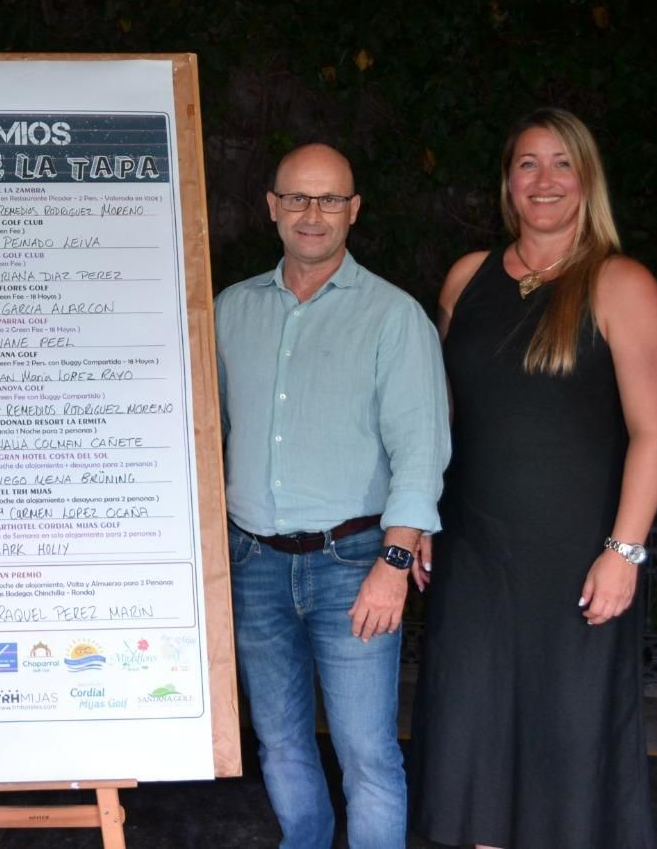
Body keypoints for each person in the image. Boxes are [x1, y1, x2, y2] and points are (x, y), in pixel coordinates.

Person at [409, 109, 657, 848]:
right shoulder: (468, 278)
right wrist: (419, 517)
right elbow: (435, 420)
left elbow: (653, 435)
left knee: (564, 743)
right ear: (508, 182)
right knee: (474, 738)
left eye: (562, 163)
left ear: (586, 179)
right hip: (474, 555)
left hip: (575, 563)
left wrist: (623, 553)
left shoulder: (621, 284)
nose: (544, 180)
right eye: (528, 164)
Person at [215, 143, 450, 849]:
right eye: (296, 198)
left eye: (328, 199)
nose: (311, 214)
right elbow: (213, 433)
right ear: (271, 207)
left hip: (355, 566)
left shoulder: (392, 317)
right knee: (281, 747)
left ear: (354, 210)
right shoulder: (230, 310)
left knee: (367, 756)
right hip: (252, 563)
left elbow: (422, 449)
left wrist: (395, 562)